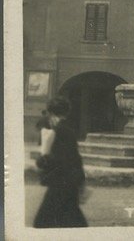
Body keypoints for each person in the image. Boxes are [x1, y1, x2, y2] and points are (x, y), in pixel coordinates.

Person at [33, 97, 87, 228]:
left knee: (42, 222)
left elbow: (52, 161)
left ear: (50, 113)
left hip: (59, 185)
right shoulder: (68, 131)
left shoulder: (55, 132)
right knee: (73, 221)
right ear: (66, 112)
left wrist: (43, 155)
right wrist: (81, 182)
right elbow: (76, 159)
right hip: (70, 184)